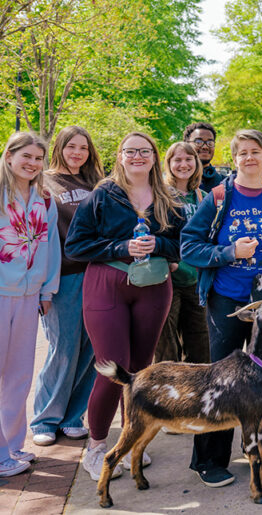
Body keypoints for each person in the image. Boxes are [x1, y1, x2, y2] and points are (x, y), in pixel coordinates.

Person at [181, 129, 262, 487]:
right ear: (234, 159)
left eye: (256, 151)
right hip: (229, 302)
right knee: (221, 380)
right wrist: (230, 252)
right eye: (242, 153)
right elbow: (189, 246)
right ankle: (209, 460)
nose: (249, 158)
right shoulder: (220, 196)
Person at [64, 132, 184, 481]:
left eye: (144, 151)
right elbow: (76, 245)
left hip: (154, 288)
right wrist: (121, 248)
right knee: (112, 369)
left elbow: (182, 244)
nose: (137, 157)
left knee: (138, 373)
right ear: (119, 155)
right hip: (107, 286)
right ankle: (98, 447)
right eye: (130, 151)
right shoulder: (102, 194)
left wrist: (158, 243)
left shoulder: (168, 196)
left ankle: (129, 441)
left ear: (154, 156)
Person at [30, 127, 102, 447]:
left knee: (91, 349)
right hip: (64, 277)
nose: (77, 153)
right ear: (59, 146)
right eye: (71, 146)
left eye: (83, 148)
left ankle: (73, 416)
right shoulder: (44, 182)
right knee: (63, 348)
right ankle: (45, 419)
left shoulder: (94, 183)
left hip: (97, 275)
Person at [0, 132, 59, 478]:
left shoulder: (43, 198)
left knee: (19, 376)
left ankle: (11, 445)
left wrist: (46, 291)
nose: (33, 163)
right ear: (9, 155)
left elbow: (50, 247)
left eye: (39, 158)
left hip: (29, 296)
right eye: (27, 156)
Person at [153, 142, 209, 364]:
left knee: (201, 346)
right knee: (167, 349)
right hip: (170, 280)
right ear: (168, 164)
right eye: (177, 159)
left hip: (197, 282)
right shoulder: (161, 194)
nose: (183, 164)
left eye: (189, 159)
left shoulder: (203, 197)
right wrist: (172, 262)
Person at [183, 122, 225, 192]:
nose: (205, 147)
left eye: (210, 143)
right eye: (198, 142)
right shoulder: (175, 185)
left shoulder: (225, 185)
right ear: (186, 145)